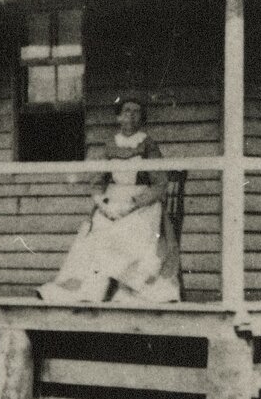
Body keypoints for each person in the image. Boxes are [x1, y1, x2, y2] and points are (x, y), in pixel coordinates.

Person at [36, 94, 183, 305]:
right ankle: (89, 291)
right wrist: (103, 205)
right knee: (96, 234)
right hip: (111, 203)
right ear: (118, 118)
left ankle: (129, 292)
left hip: (142, 204)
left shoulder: (148, 144)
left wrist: (132, 204)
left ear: (142, 118)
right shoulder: (109, 145)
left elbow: (160, 183)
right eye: (126, 112)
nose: (130, 116)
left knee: (132, 232)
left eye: (136, 112)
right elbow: (97, 180)